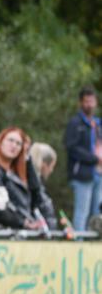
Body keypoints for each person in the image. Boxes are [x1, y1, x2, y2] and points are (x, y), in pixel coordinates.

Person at [0, 127, 52, 230]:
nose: (14, 145)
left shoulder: (19, 173)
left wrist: (27, 161)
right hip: (2, 231)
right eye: (10, 140)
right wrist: (24, 223)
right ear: (1, 141)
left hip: (25, 230)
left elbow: (37, 197)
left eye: (18, 143)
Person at [64, 86, 102, 232]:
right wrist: (93, 158)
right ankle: (79, 244)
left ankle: (96, 245)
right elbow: (71, 147)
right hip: (82, 175)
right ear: (81, 103)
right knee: (82, 212)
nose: (89, 104)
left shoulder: (98, 124)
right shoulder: (75, 123)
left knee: (97, 212)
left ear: (96, 102)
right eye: (86, 101)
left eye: (91, 101)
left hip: (99, 173)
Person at [29, 142, 57, 228]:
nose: (51, 170)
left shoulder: (36, 183)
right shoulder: (35, 185)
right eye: (52, 166)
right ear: (44, 164)